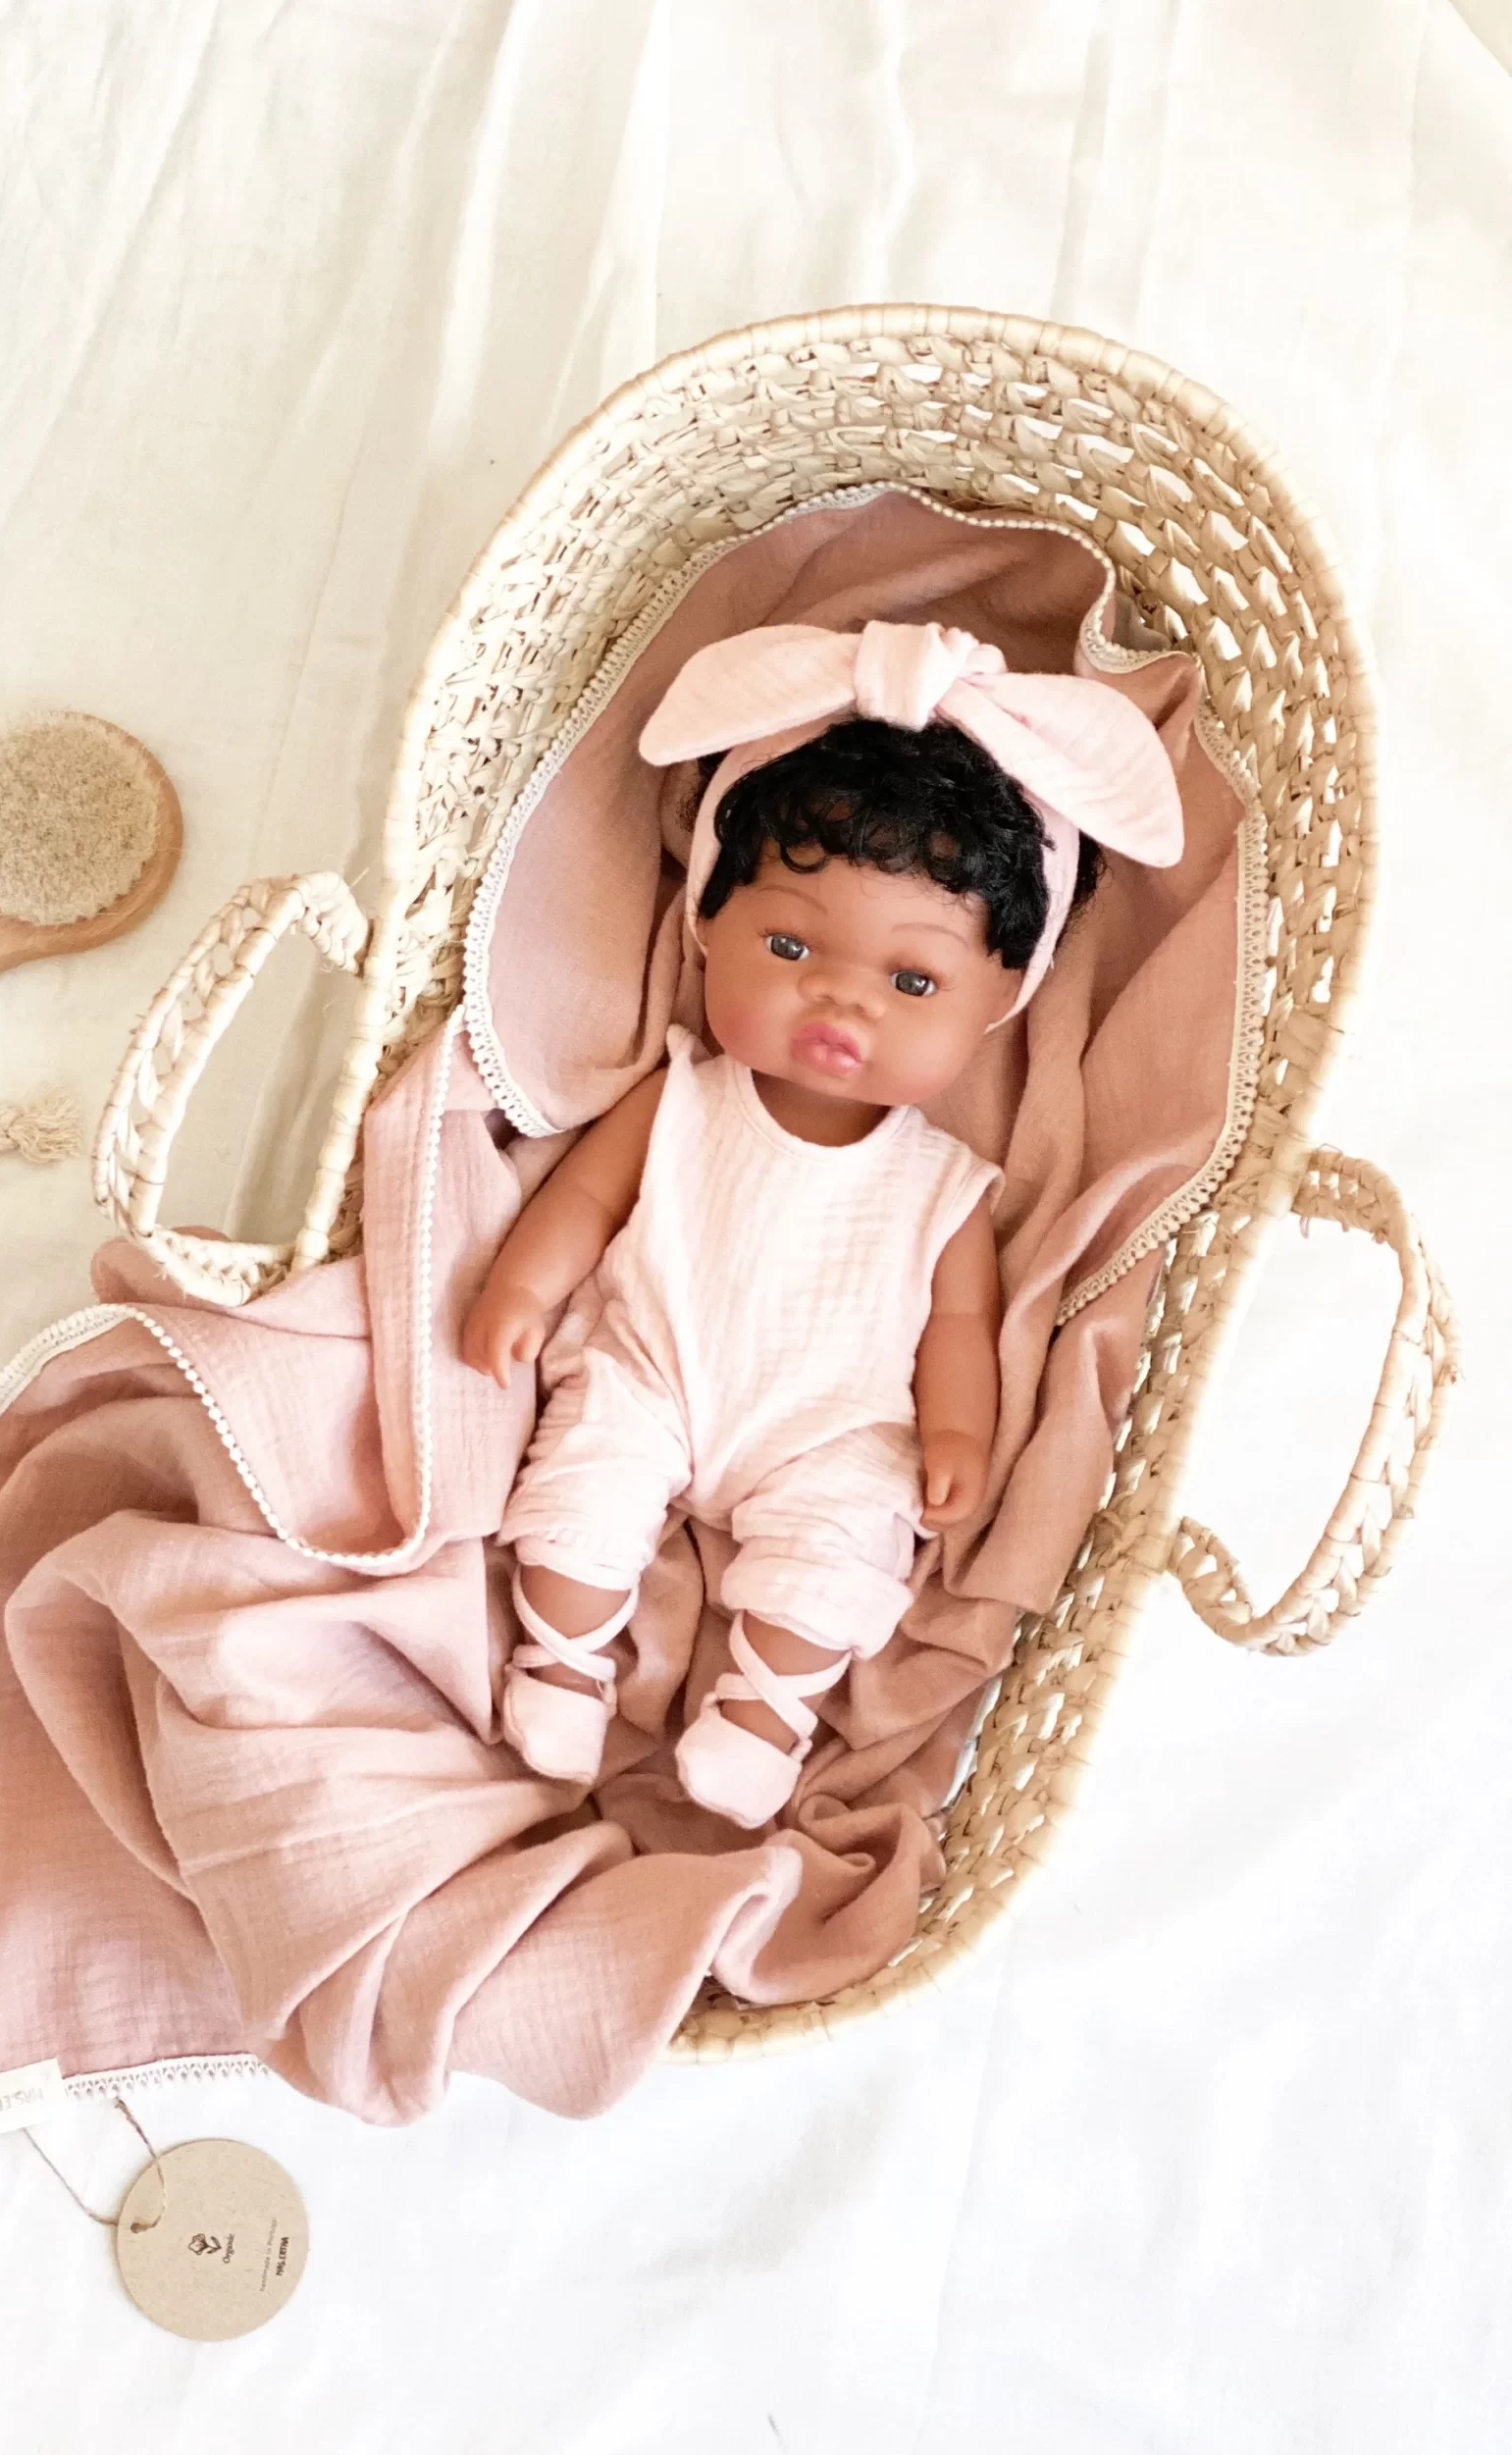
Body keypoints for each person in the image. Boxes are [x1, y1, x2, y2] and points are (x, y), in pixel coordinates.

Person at [462, 619, 1183, 1827]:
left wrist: (958, 1429)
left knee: (843, 1542)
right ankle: (562, 1660)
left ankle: (763, 1711)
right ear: (709, 923)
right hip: (653, 1368)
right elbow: (583, 1198)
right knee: (583, 1487)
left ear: (998, 1001)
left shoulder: (946, 1182)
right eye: (790, 943)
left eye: (914, 980)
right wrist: (523, 1287)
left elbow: (957, 1324)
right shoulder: (681, 1095)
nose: (841, 997)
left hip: (830, 1429)